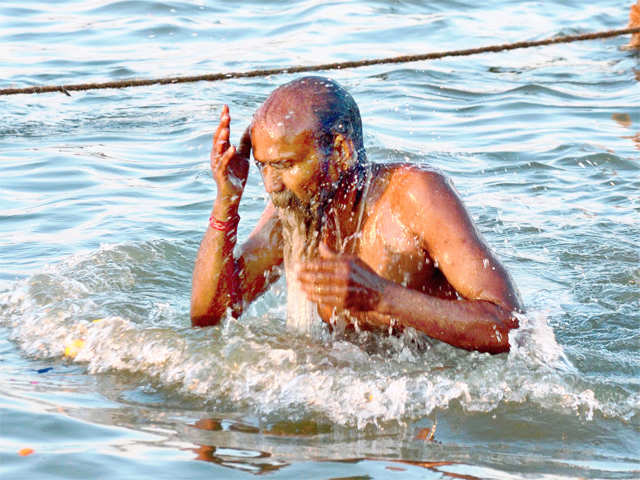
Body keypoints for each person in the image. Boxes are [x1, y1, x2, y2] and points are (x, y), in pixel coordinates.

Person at [190, 76, 523, 354]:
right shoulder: (295, 213)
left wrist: (381, 295)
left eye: (285, 165)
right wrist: (226, 201)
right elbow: (211, 313)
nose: (271, 185)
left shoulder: (415, 195)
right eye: (263, 166)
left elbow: (511, 327)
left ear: (340, 151)